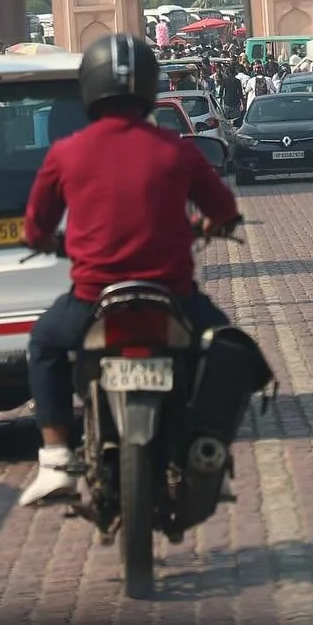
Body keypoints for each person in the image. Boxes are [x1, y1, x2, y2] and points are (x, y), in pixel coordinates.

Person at [17, 33, 242, 508]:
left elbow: (34, 227)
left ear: (89, 88)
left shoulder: (67, 153)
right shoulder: (176, 149)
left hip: (94, 299)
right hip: (172, 296)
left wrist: (51, 242)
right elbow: (223, 209)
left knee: (43, 344)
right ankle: (209, 452)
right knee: (226, 350)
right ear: (149, 88)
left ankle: (56, 457)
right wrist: (206, 224)